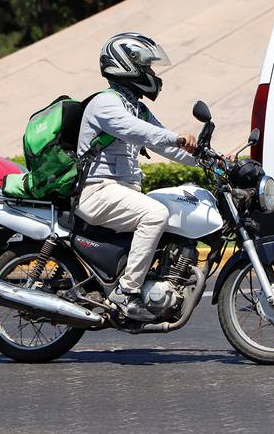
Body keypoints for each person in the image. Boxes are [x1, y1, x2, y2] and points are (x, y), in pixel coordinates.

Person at [76, 32, 198, 321]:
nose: (152, 73)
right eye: (147, 66)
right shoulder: (105, 103)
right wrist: (178, 138)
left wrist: (209, 160)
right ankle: (127, 293)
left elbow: (163, 144)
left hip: (119, 192)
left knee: (172, 209)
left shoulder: (137, 108)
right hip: (96, 190)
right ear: (127, 66)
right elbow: (136, 131)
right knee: (155, 214)